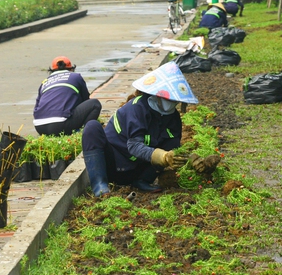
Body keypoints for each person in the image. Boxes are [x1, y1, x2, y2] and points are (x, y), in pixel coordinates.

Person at [81, 62, 199, 196]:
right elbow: (134, 146)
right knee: (92, 127)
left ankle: (142, 181)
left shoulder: (173, 117)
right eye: (168, 98)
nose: (171, 103)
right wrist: (162, 156)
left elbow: (174, 149)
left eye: (174, 100)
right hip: (113, 163)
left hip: (138, 170)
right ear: (156, 94)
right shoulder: (137, 108)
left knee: (172, 143)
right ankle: (100, 185)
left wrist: (191, 159)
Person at [33, 56, 102, 136]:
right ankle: (84, 134)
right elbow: (85, 99)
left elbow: (37, 108)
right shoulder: (75, 77)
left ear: (52, 71)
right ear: (71, 69)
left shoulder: (44, 82)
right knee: (95, 104)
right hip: (60, 125)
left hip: (39, 126)